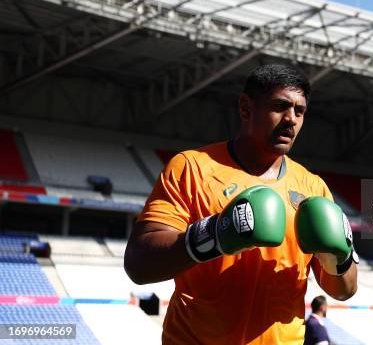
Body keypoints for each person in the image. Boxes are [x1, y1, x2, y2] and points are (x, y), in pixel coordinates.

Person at [124, 64, 358, 344]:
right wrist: (214, 234)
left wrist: (340, 256)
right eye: (280, 106)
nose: (291, 119)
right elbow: (139, 264)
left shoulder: (313, 188)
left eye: (300, 111)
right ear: (246, 108)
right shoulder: (191, 168)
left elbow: (344, 290)